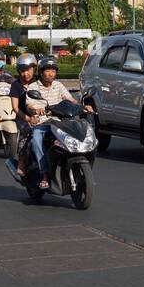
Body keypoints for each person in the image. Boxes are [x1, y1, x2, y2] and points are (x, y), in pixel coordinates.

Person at [22, 56, 93, 191]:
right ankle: (45, 174)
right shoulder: (33, 87)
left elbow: (70, 99)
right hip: (42, 123)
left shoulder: (58, 85)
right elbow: (29, 104)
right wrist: (36, 109)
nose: (50, 74)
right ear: (41, 72)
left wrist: (83, 106)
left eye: (53, 71)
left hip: (60, 122)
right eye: (47, 71)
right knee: (36, 138)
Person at [9, 54, 39, 177]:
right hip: (23, 118)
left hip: (41, 116)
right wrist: (27, 118)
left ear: (34, 69)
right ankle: (21, 163)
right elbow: (15, 108)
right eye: (22, 71)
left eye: (28, 70)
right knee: (26, 135)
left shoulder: (39, 81)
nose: (26, 74)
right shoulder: (16, 85)